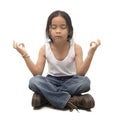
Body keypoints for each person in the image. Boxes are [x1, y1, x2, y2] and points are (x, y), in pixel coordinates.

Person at [13, 10, 101, 111]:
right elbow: (37, 73)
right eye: (53, 27)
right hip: (51, 81)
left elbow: (81, 73)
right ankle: (73, 100)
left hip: (71, 81)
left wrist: (91, 53)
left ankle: (45, 98)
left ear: (69, 31)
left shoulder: (76, 48)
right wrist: (24, 53)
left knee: (85, 82)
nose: (58, 30)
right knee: (34, 81)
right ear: (49, 31)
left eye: (63, 27)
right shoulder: (44, 48)